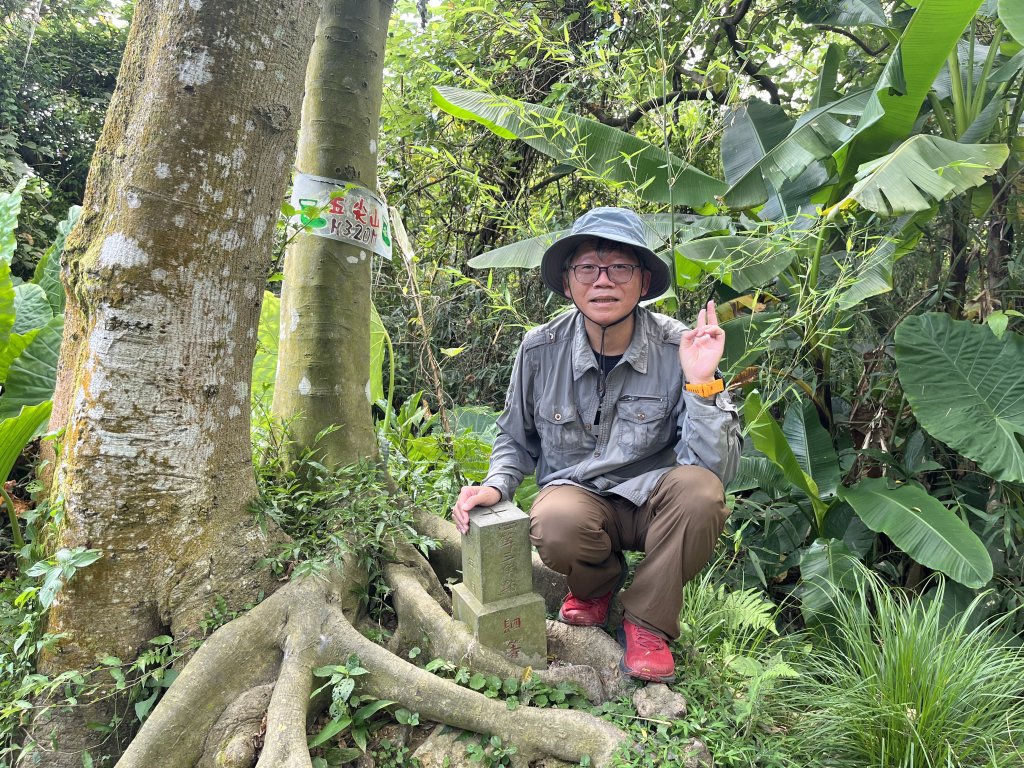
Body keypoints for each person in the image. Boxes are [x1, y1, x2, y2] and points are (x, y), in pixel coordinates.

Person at [452, 207, 741, 683]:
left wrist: (702, 382)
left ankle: (647, 620)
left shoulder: (679, 347)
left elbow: (714, 470)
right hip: (579, 497)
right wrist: (497, 485)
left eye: (619, 268)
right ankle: (597, 586)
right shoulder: (540, 348)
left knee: (702, 494)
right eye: (587, 267)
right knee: (554, 519)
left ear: (643, 282)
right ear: (568, 283)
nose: (602, 281)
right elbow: (514, 434)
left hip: (654, 501)